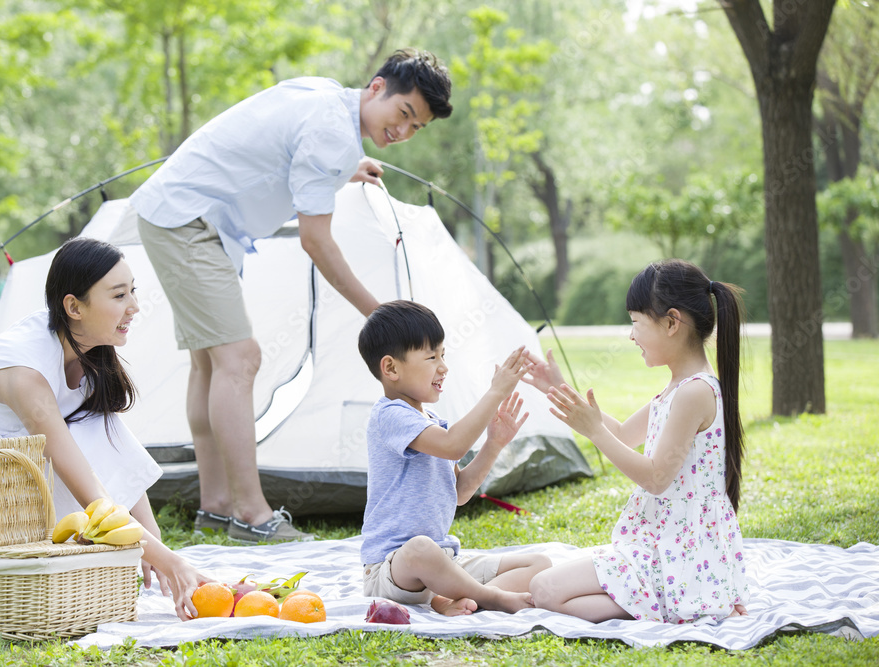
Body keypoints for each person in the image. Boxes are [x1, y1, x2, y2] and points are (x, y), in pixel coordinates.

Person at [129, 48, 453, 544]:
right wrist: (381, 312)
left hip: (180, 213)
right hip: (187, 220)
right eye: (404, 114)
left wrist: (344, 169)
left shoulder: (324, 95)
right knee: (240, 360)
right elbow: (316, 241)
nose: (403, 132)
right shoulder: (332, 136)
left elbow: (279, 149)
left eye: (417, 127)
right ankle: (250, 515)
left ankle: (216, 507)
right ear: (377, 87)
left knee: (212, 364)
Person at [0, 238, 211, 621]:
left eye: (132, 291)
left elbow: (111, 445)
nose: (134, 307)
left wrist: (155, 547)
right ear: (74, 306)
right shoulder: (27, 374)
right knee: (72, 459)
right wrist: (165, 558)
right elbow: (90, 491)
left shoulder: (87, 350)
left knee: (94, 424)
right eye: (119, 295)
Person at [524, 259, 750, 624]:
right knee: (543, 588)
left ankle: (673, 604)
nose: (631, 336)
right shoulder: (679, 386)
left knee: (544, 589)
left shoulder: (695, 392)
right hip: (663, 545)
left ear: (672, 322)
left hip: (680, 553)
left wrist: (593, 431)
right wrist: (557, 389)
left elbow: (656, 478)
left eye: (636, 323)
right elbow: (624, 435)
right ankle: (672, 601)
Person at [356, 300, 552, 615]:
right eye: (431, 357)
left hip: (443, 564)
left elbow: (459, 493)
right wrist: (495, 393)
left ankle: (454, 599)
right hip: (394, 568)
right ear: (391, 368)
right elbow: (453, 445)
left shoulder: (430, 418)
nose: (443, 367)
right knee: (421, 548)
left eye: (443, 355)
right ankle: (492, 598)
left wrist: (494, 443)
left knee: (539, 563)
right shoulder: (390, 414)